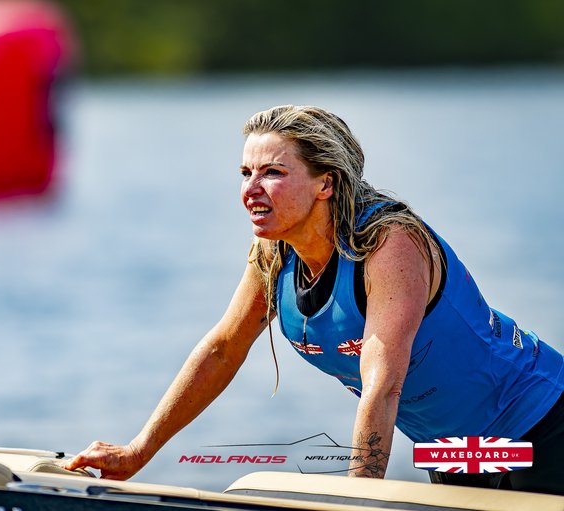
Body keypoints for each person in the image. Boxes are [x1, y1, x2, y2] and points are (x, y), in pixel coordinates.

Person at [65, 105, 564, 495]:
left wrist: (358, 497)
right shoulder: (273, 255)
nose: (251, 190)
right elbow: (222, 350)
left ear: (326, 182)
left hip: (541, 423)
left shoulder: (389, 244)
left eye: (273, 173)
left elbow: (383, 381)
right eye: (245, 173)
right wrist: (137, 451)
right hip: (456, 449)